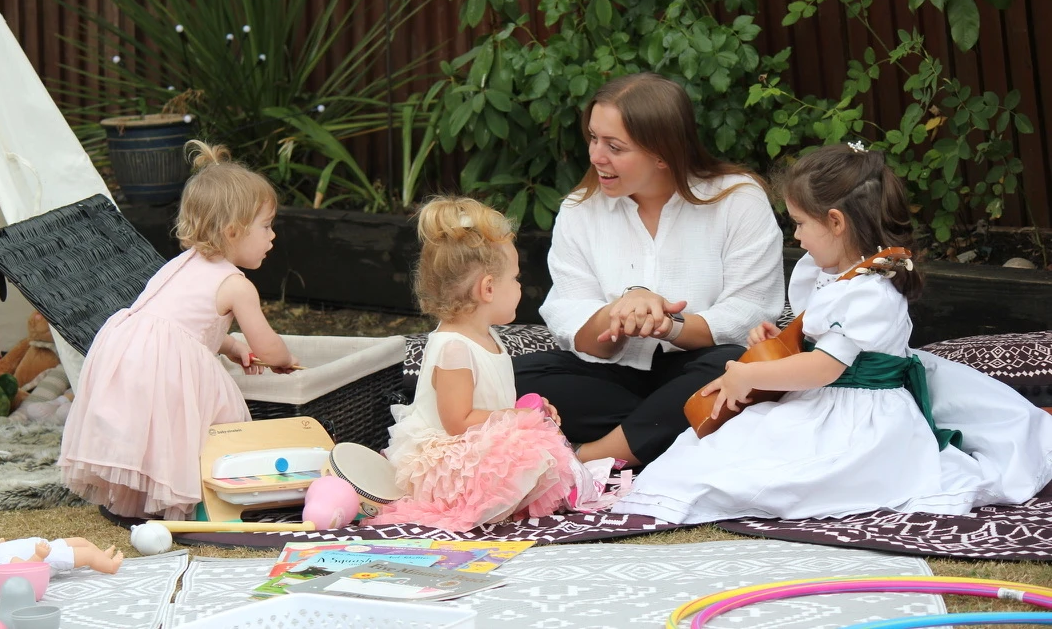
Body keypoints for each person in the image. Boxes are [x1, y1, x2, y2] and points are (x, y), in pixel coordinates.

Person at [613, 143, 1050, 524]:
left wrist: (749, 376)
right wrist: (783, 339)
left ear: (837, 222)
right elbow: (824, 338)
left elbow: (825, 367)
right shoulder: (837, 275)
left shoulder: (871, 292)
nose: (797, 237)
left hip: (857, 413)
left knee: (778, 471)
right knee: (726, 450)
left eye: (801, 223)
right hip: (826, 396)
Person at [513, 72, 784, 467]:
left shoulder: (738, 200)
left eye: (614, 146)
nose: (595, 156)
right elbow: (569, 313)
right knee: (498, 379)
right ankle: (671, 427)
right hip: (610, 373)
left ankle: (590, 457)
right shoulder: (579, 210)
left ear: (662, 153)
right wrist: (617, 314)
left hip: (702, 366)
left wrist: (668, 326)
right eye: (593, 137)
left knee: (736, 365)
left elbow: (750, 311)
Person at [59, 141, 298, 520]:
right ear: (234, 231)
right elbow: (268, 349)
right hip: (165, 367)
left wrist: (232, 346)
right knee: (195, 429)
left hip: (128, 356)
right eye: (266, 227)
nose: (272, 237)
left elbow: (187, 324)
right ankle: (197, 494)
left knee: (150, 435)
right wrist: (284, 360)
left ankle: (139, 499)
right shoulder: (237, 286)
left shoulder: (181, 264)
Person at [366, 196, 578, 531]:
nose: (520, 286)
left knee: (539, 446)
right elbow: (457, 421)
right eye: (515, 278)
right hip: (446, 460)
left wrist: (529, 413)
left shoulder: (487, 336)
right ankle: (478, 505)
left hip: (474, 444)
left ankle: (505, 499)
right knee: (531, 451)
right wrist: (515, 418)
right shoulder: (454, 347)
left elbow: (494, 406)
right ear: (488, 288)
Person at [0, 536, 123, 588]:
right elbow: (28, 570)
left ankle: (101, 557)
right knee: (87, 554)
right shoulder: (1, 564)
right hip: (50, 556)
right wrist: (39, 556)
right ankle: (110, 566)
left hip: (49, 545)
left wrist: (3, 545)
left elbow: (11, 550)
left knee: (81, 541)